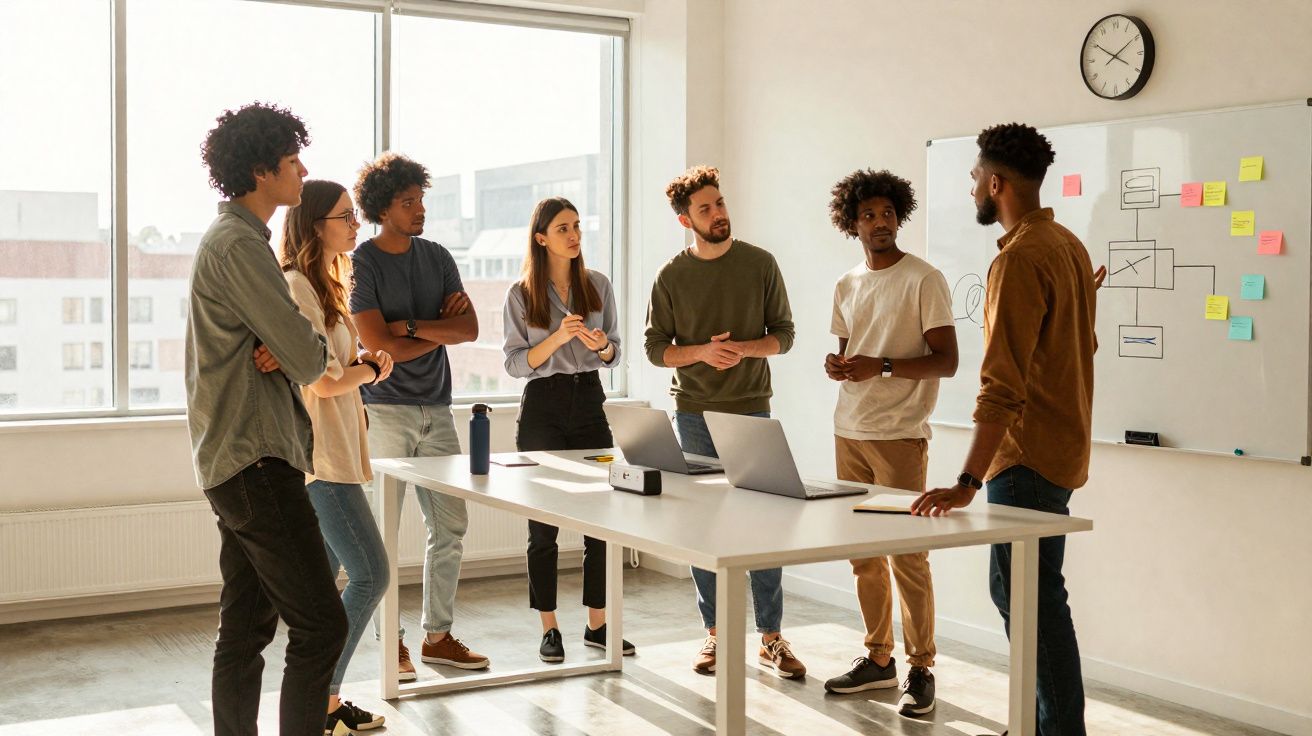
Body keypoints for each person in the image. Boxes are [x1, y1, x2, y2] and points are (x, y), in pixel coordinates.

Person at [911, 123, 1107, 736]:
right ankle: (1036, 720)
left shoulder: (1021, 257)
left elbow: (1002, 384)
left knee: (1029, 600)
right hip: (1061, 451)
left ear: (995, 183)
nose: (972, 185)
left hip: (1025, 460)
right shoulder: (1068, 246)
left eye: (974, 177)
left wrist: (967, 480)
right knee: (1032, 594)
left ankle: (1053, 728)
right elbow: (1080, 345)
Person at [185, 102, 346, 736]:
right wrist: (290, 346)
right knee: (321, 623)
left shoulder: (234, 242)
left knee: (247, 628)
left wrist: (284, 345)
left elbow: (293, 351)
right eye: (291, 160)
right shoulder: (239, 248)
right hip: (254, 460)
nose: (302, 169)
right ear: (260, 171)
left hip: (237, 459)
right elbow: (312, 359)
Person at [643, 165, 804, 679]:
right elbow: (655, 351)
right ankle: (713, 635)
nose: (718, 214)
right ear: (684, 219)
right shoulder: (671, 276)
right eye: (706, 208)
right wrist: (701, 355)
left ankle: (771, 637)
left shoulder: (760, 263)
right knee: (704, 529)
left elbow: (785, 335)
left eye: (720, 203)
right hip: (693, 415)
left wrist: (741, 350)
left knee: (764, 526)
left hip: (752, 408)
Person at [820, 169, 957, 717]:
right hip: (848, 429)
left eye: (887, 214)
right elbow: (851, 354)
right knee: (863, 558)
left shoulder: (924, 279)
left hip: (900, 434)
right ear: (852, 222)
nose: (880, 223)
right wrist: (838, 366)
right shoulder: (847, 283)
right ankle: (878, 660)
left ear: (899, 216)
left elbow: (946, 361)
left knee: (908, 555)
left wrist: (876, 365)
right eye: (869, 216)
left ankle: (921, 666)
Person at [350, 153, 490, 679]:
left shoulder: (437, 256)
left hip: (439, 409)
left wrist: (405, 327)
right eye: (408, 203)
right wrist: (428, 328)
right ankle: (395, 644)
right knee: (383, 534)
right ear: (382, 208)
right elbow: (374, 346)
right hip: (385, 412)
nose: (420, 210)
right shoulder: (363, 262)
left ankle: (437, 637)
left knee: (450, 525)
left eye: (421, 200)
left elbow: (469, 330)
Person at [276, 179, 393, 733]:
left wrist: (363, 363)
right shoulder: (297, 285)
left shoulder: (327, 287)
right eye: (346, 216)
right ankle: (323, 698)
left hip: (338, 452)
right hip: (323, 460)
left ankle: (317, 703)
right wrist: (370, 370)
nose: (356, 225)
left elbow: (333, 371)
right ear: (315, 223)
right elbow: (322, 383)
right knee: (371, 574)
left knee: (325, 592)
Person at [502, 196, 636, 663]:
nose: (574, 234)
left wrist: (601, 346)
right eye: (563, 228)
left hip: (590, 403)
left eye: (577, 225)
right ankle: (549, 628)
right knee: (544, 527)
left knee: (600, 522)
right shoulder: (521, 294)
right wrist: (559, 336)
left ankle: (598, 625)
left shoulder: (597, 284)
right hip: (543, 406)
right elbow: (516, 364)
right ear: (541, 238)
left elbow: (616, 351)